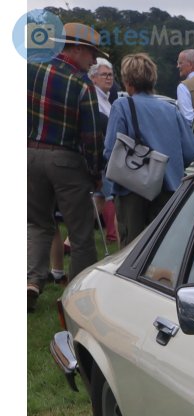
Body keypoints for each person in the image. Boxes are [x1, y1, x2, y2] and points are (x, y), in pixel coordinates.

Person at [27, 22, 105, 313]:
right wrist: (95, 173)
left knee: (37, 223)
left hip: (29, 155)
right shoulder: (82, 84)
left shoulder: (30, 69)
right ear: (76, 48)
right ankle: (77, 294)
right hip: (66, 160)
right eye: (91, 53)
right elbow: (92, 137)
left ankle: (31, 282)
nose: (94, 61)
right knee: (81, 233)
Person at [105, 52, 194, 244]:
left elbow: (110, 150)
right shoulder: (171, 110)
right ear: (152, 79)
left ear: (127, 81)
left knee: (132, 249)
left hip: (132, 190)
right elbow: (193, 151)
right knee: (163, 246)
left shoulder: (122, 106)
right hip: (168, 189)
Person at [89, 59, 122, 246]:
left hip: (104, 156)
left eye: (110, 75)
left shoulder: (105, 98)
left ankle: (71, 242)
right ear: (93, 78)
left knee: (99, 199)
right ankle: (119, 246)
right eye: (104, 75)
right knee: (114, 200)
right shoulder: (95, 98)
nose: (109, 78)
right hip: (103, 157)